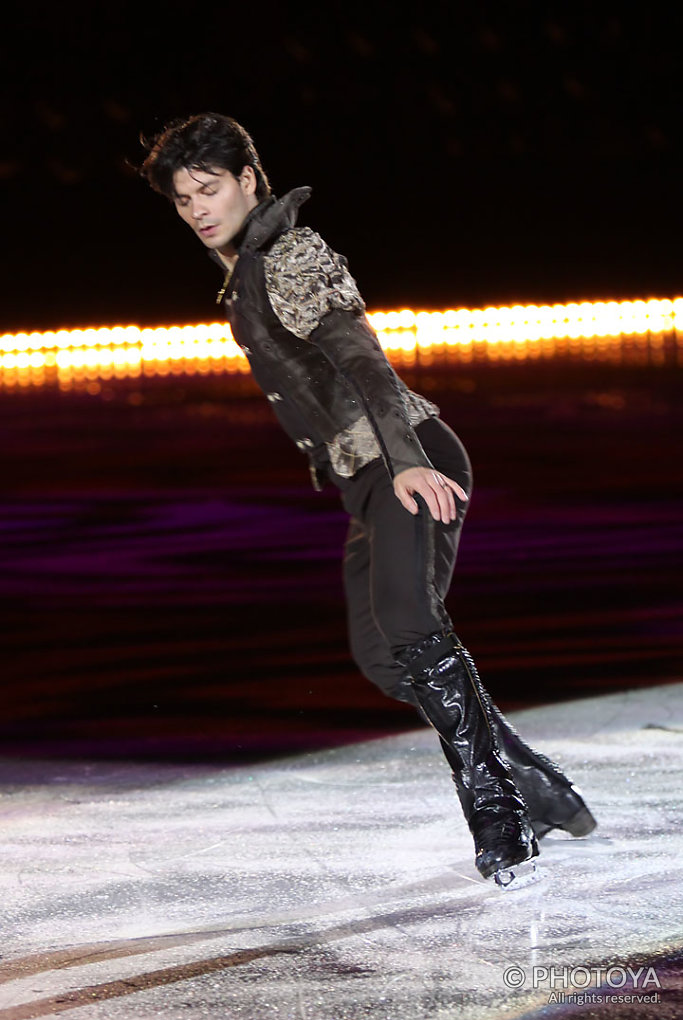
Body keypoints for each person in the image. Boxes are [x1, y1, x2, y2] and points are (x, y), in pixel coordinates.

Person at [141, 113, 596, 885]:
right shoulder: (245, 267)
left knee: (411, 624)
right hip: (366, 481)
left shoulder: (288, 253)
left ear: (250, 180)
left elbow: (364, 360)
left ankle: (501, 817)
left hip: (404, 462)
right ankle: (538, 786)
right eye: (183, 199)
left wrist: (408, 464)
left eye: (209, 190)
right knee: (385, 660)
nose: (197, 210)